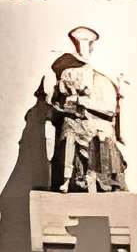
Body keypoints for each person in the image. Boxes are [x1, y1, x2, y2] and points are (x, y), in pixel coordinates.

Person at [39, 25, 129, 192]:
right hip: (76, 126)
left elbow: (109, 110)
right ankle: (68, 179)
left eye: (75, 70)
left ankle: (94, 180)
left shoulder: (102, 82)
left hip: (97, 129)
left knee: (96, 140)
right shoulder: (67, 84)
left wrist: (82, 103)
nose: (71, 75)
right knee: (68, 131)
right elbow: (57, 108)